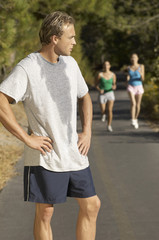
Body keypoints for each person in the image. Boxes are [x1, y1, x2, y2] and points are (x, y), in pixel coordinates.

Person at [0, 11, 101, 240]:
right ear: (55, 38)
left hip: (73, 152)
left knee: (92, 205)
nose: (74, 42)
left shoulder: (70, 64)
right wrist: (27, 139)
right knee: (46, 213)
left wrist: (87, 131)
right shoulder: (28, 67)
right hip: (45, 154)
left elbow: (84, 96)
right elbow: (1, 101)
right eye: (70, 37)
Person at [95, 61, 116, 132]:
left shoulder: (113, 74)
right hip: (102, 94)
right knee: (103, 110)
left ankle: (109, 125)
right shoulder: (100, 75)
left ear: (109, 66)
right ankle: (103, 114)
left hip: (110, 93)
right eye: (104, 65)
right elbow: (96, 85)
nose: (106, 66)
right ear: (103, 66)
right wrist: (99, 89)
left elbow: (114, 84)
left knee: (109, 110)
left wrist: (114, 87)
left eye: (107, 65)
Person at [126, 53, 144, 129]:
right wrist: (127, 79)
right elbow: (128, 76)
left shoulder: (141, 66)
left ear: (137, 58)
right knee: (133, 103)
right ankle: (133, 119)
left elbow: (143, 79)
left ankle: (136, 118)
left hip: (139, 86)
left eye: (135, 57)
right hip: (131, 86)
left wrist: (141, 74)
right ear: (131, 59)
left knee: (138, 104)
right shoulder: (129, 67)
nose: (133, 59)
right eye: (132, 57)